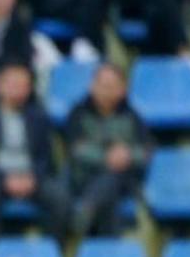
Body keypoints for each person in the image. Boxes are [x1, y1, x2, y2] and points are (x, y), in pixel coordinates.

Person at [0, 63, 69, 250]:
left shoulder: (38, 116)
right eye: (12, 84)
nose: (18, 90)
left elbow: (45, 158)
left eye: (23, 85)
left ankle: (51, 253)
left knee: (60, 195)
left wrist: (32, 178)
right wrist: (5, 179)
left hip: (30, 175)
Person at [65, 63, 153, 237]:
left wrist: (127, 155)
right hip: (86, 177)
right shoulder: (78, 113)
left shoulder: (132, 116)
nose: (106, 91)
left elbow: (146, 152)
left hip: (123, 180)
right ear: (92, 86)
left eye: (112, 87)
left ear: (123, 90)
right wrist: (107, 157)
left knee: (113, 179)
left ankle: (86, 209)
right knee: (110, 190)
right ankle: (108, 252)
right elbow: (75, 149)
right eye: (102, 85)